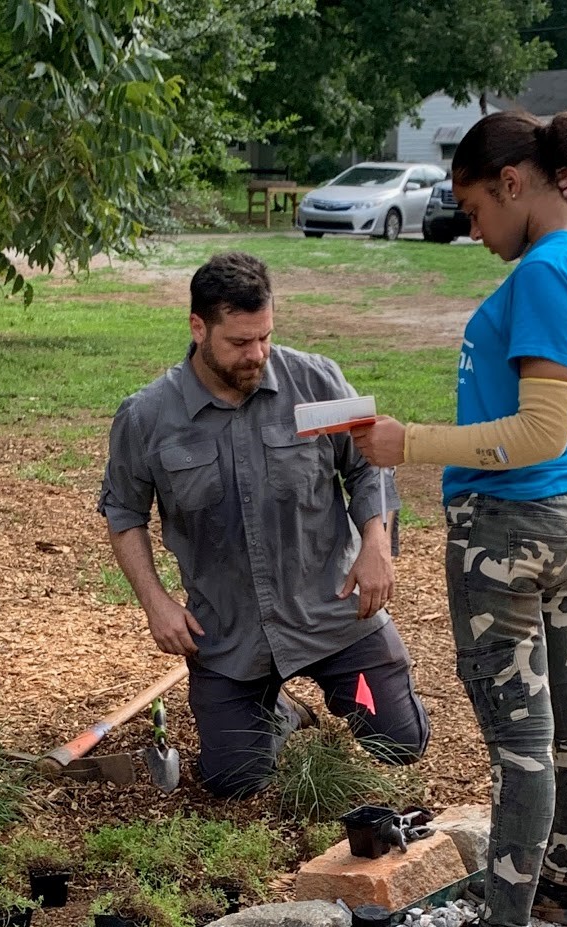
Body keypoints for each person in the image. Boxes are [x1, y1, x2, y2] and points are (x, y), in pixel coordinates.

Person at [353, 112, 567, 927]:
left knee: (522, 739)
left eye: (476, 207)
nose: (473, 231)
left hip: (510, 529)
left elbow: (544, 426)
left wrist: (410, 444)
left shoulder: (549, 270)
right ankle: (560, 884)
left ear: (514, 181)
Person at [98, 250, 430, 798]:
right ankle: (277, 712)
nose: (256, 355)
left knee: (400, 744)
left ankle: (343, 696)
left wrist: (377, 543)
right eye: (239, 343)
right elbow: (124, 513)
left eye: (265, 337)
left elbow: (368, 464)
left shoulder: (316, 381)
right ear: (198, 327)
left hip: (333, 613)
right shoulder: (147, 417)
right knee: (235, 782)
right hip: (230, 635)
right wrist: (156, 603)